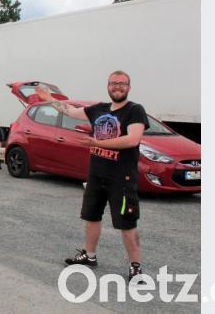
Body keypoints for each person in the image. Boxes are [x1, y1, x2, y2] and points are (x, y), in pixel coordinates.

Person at [35, 70, 149, 283]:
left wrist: (97, 143)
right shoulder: (98, 109)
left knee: (127, 223)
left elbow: (132, 139)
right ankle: (89, 255)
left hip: (121, 178)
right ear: (108, 86)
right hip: (97, 174)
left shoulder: (135, 110)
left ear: (129, 87)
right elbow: (70, 111)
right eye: (114, 83)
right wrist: (49, 98)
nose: (117, 86)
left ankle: (136, 267)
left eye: (122, 83)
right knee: (91, 216)